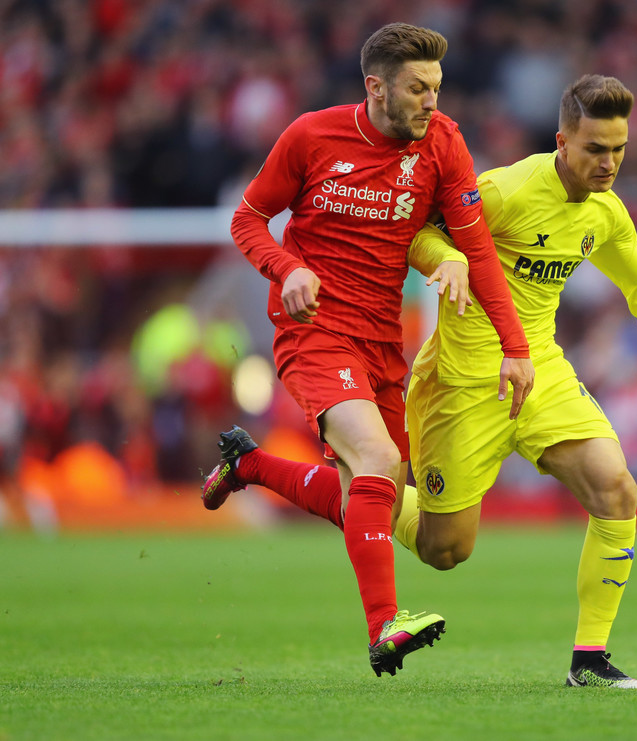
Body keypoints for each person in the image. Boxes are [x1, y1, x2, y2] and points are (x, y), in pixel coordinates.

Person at [206, 74, 637, 688]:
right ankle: (256, 466)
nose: (608, 163)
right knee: (443, 548)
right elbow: (420, 232)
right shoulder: (507, 191)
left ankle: (589, 662)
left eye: (618, 149)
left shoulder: (606, 214)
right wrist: (450, 258)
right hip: (459, 387)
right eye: (595, 149)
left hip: (540, 372)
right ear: (562, 142)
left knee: (617, 489)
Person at [206, 22, 534, 678]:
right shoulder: (311, 136)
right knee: (378, 459)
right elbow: (247, 218)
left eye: (436, 87)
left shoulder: (444, 142)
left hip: (384, 341)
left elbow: (476, 249)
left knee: (371, 493)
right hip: (314, 330)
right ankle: (385, 626)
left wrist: (515, 345)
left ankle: (251, 465)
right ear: (375, 87)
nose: (431, 101)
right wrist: (287, 268)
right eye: (417, 88)